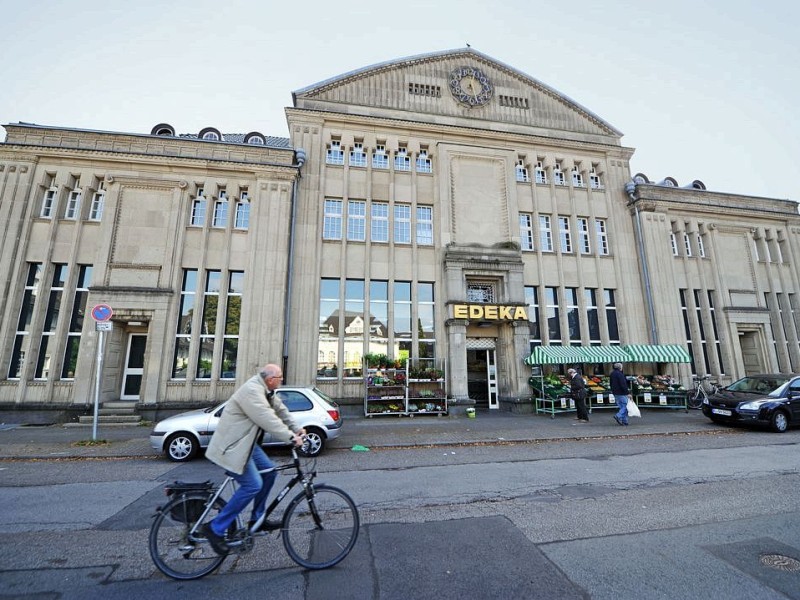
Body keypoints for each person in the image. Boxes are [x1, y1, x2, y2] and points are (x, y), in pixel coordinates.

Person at [202, 363, 306, 555]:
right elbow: (267, 418)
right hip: (232, 446)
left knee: (270, 473)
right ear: (270, 379)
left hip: (247, 445)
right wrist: (291, 438)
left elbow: (280, 411)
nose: (282, 380)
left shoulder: (267, 391)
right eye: (280, 377)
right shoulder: (253, 391)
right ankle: (215, 527)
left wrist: (296, 428)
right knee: (253, 485)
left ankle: (258, 520)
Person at [610, 362, 631, 426]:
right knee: (626, 406)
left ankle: (625, 421)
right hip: (622, 393)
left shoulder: (612, 374)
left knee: (622, 407)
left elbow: (610, 383)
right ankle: (618, 416)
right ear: (620, 367)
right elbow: (623, 384)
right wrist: (628, 393)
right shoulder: (620, 374)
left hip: (615, 392)